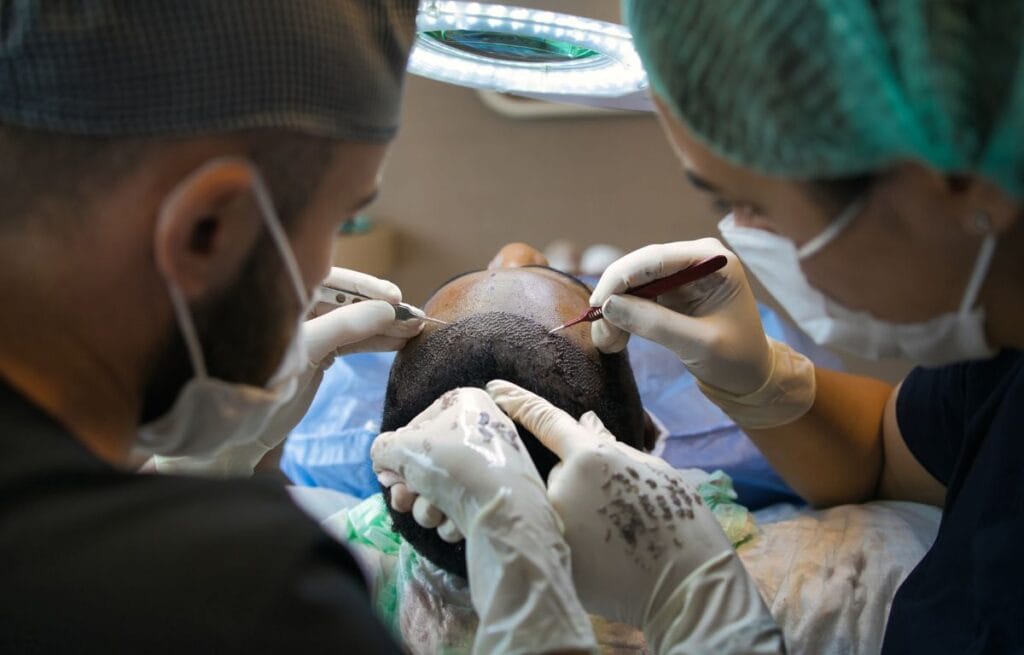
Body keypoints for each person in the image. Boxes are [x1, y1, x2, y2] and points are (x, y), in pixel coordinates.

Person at [574, 2, 1021, 653]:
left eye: (749, 202)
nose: (744, 234)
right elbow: (885, 454)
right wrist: (761, 381)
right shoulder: (1001, 359)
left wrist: (702, 618)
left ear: (956, 183)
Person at [2, 2, 437, 652]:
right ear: (211, 229)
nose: (325, 267)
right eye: (339, 221)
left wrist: (205, 474)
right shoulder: (252, 600)